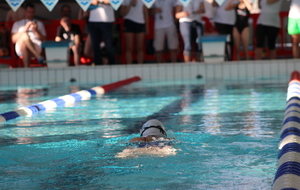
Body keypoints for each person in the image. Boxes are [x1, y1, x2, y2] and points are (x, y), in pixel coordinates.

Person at [11, 3, 46, 67]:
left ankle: (26, 70)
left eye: (32, 12)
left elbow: (44, 39)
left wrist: (36, 30)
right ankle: (37, 56)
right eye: (29, 12)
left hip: (36, 46)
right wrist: (25, 29)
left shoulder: (39, 23)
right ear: (25, 12)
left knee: (25, 46)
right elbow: (13, 39)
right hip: (20, 48)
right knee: (24, 35)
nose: (31, 14)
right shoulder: (17, 24)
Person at [120, 0, 149, 64]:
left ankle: (140, 66)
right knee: (129, 48)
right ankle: (129, 66)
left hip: (140, 23)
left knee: (140, 48)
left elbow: (146, 13)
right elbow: (122, 13)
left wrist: (147, 27)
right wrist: (131, 4)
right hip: (129, 22)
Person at [88, 0, 115, 65]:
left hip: (107, 20)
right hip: (93, 20)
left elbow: (115, 2)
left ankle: (112, 64)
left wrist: (100, 1)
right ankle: (97, 65)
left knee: (109, 45)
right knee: (95, 45)